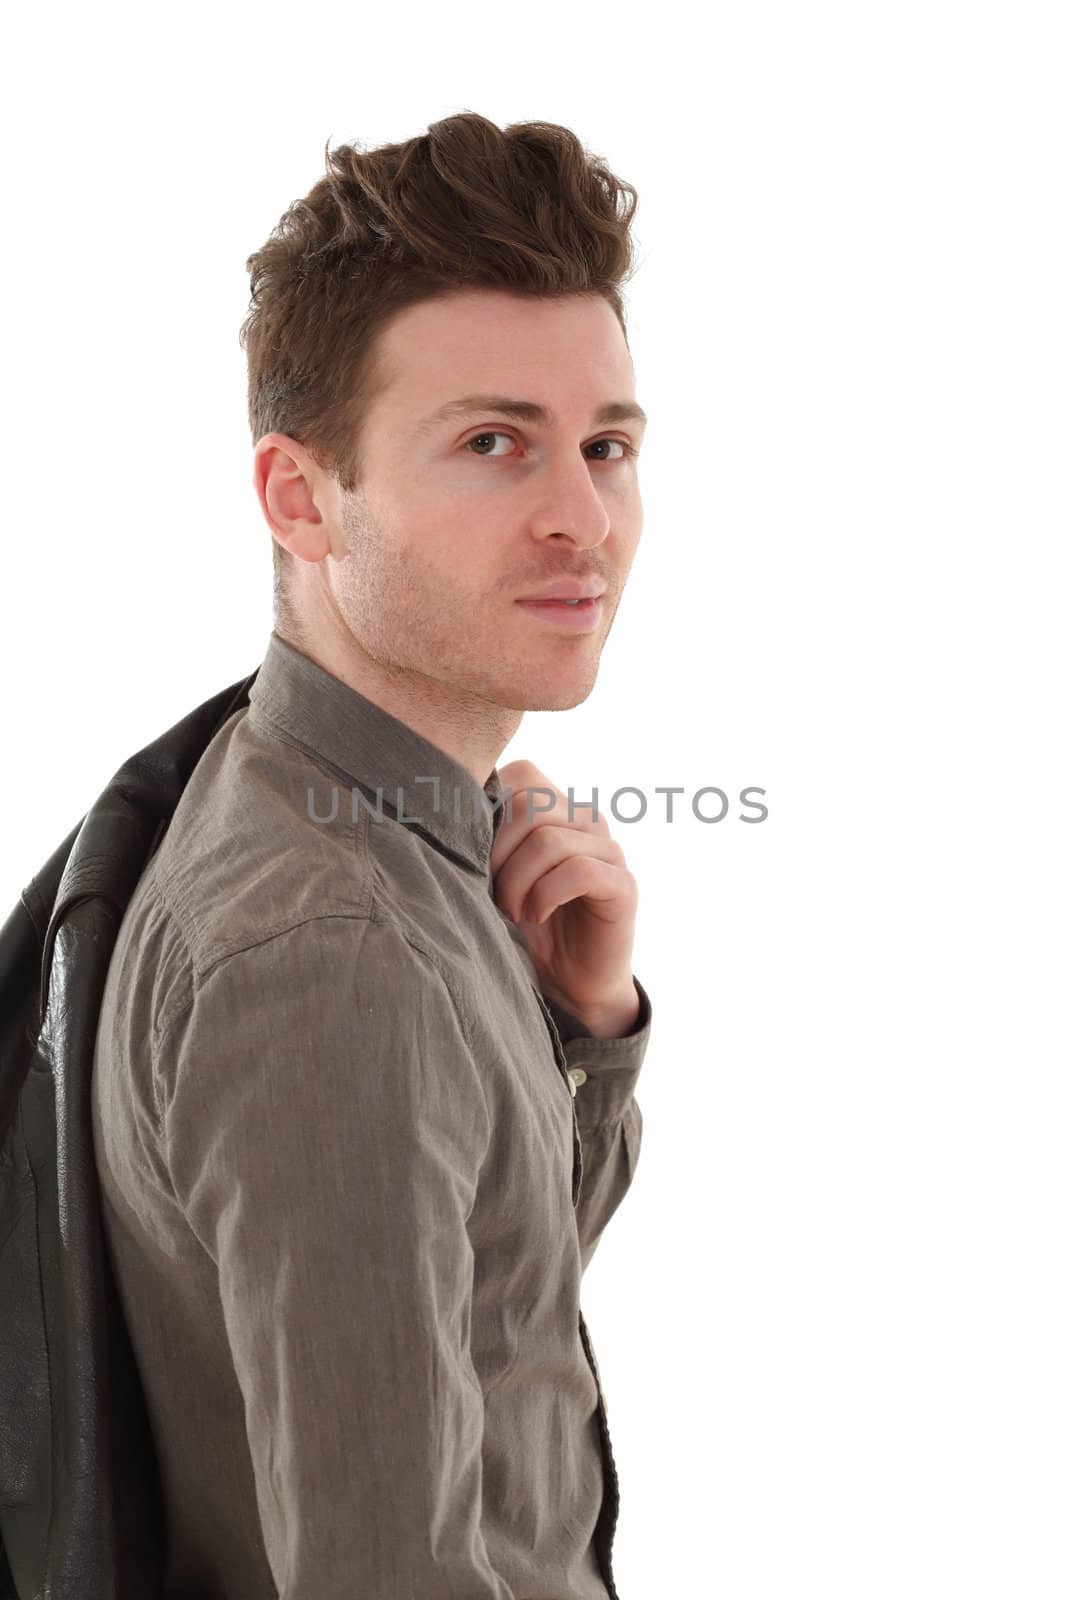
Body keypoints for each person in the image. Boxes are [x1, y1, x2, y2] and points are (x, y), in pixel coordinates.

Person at [91, 109, 653, 1600]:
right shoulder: (336, 947)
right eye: (494, 445)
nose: (580, 518)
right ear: (300, 496)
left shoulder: (336, 815)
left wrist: (576, 1034)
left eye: (606, 445)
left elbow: (481, 1313)